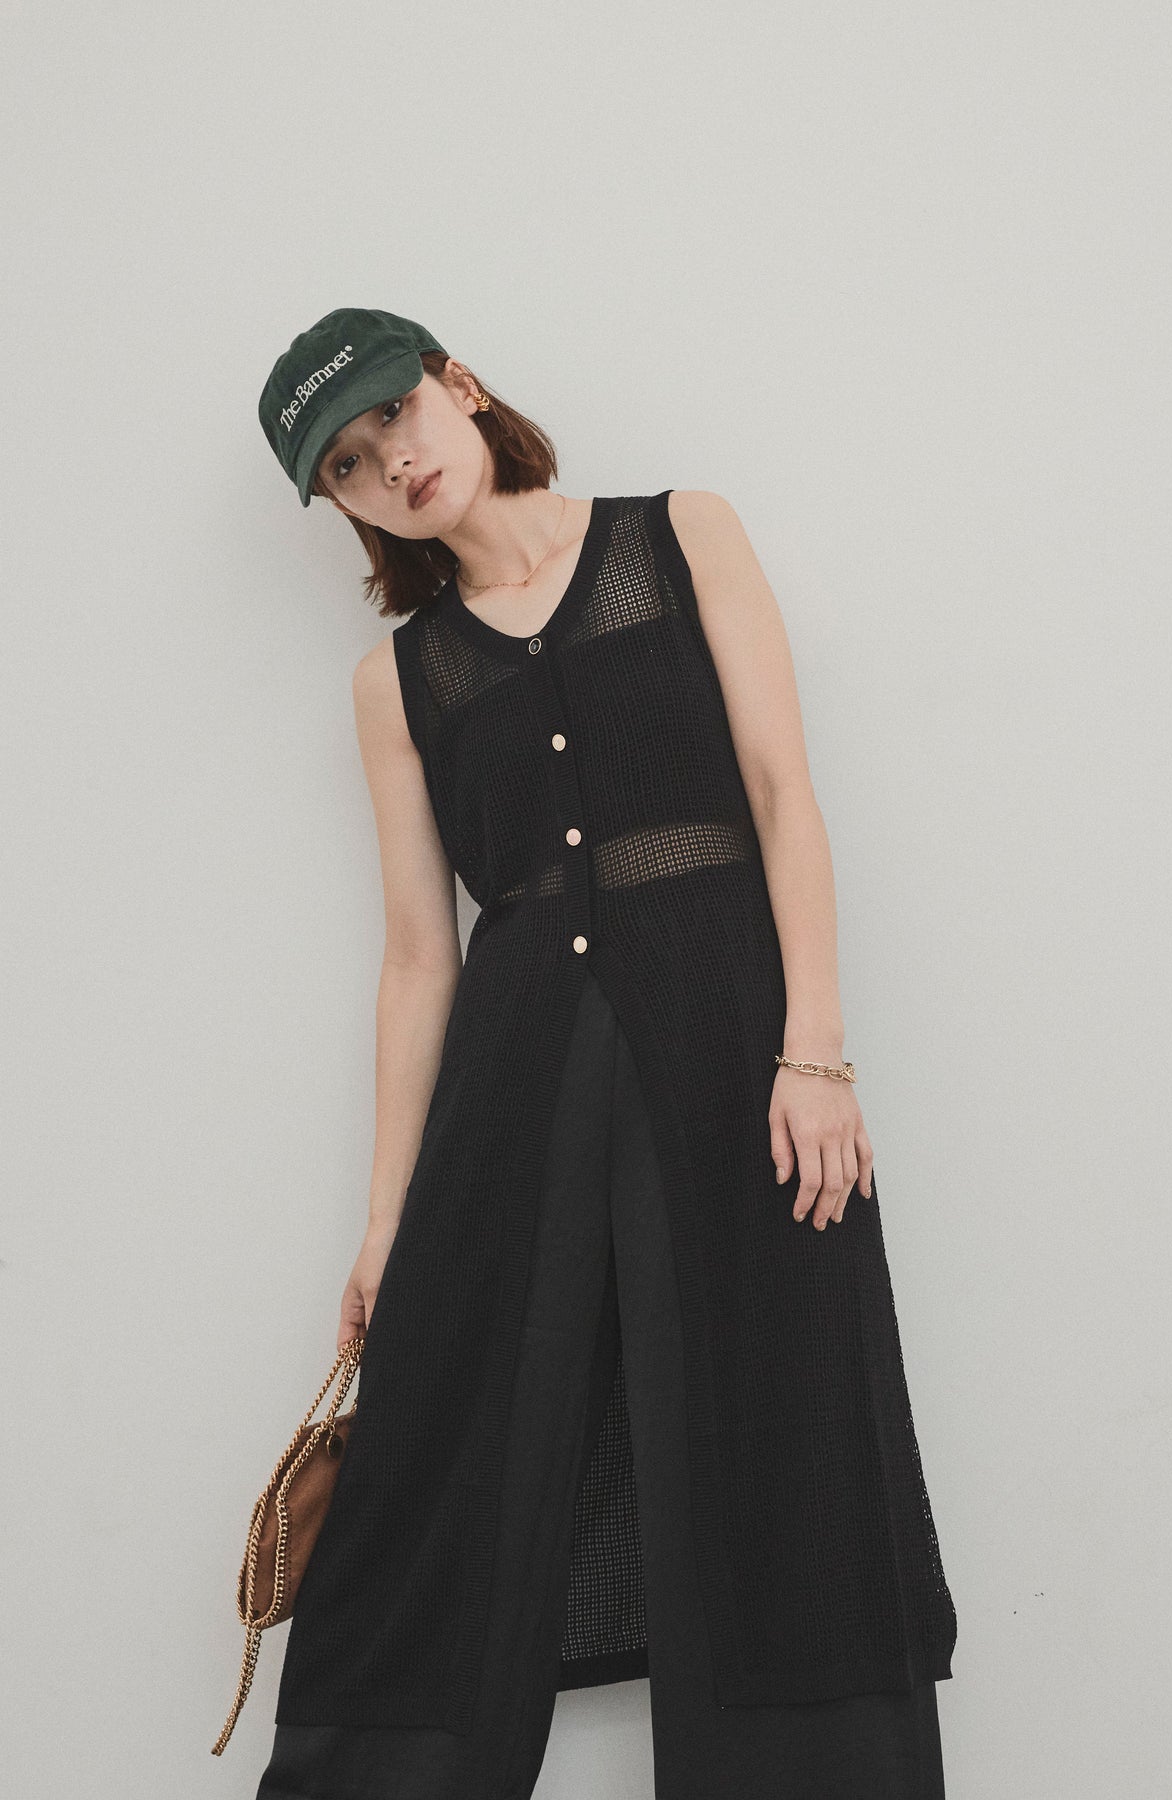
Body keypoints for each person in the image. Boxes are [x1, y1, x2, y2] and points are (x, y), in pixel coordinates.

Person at [248, 306, 958, 1799]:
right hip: (514, 1093)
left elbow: (782, 795)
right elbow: (419, 955)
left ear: (460, 385)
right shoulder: (397, 684)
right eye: (352, 466)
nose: (393, 465)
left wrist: (816, 1050)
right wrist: (381, 1225)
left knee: (779, 1413)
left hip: (731, 1060)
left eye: (397, 418)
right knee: (456, 1433)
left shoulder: (682, 536)